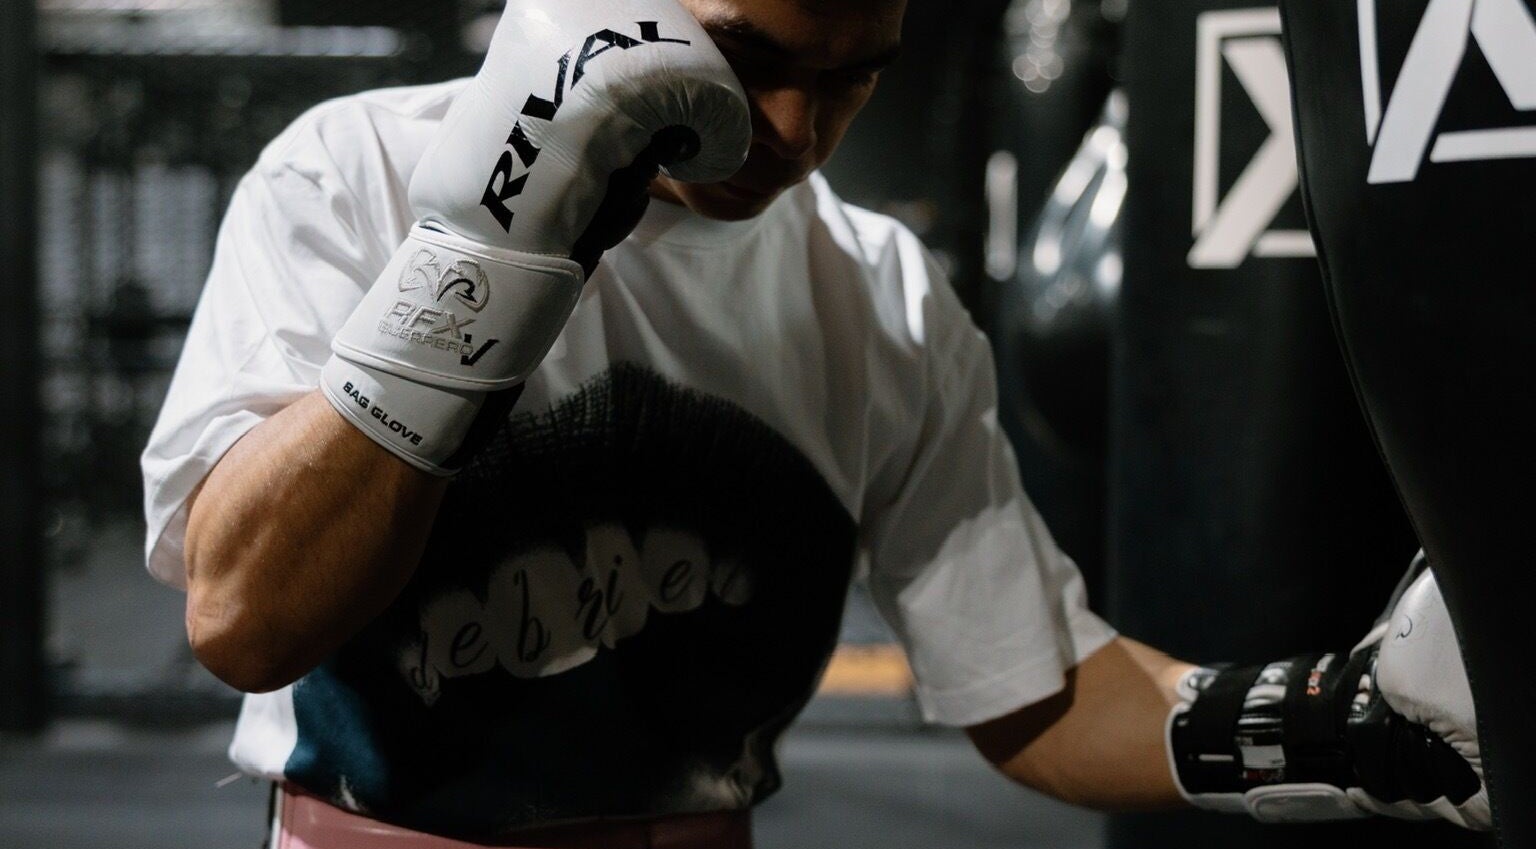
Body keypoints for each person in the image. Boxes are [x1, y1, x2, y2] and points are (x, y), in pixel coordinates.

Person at [139, 0, 1486, 845]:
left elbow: (1038, 686)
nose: (792, 129)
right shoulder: (354, 178)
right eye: (753, 58)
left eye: (852, 79)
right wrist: (488, 250)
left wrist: (1338, 723)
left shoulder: (878, 295)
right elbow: (245, 619)